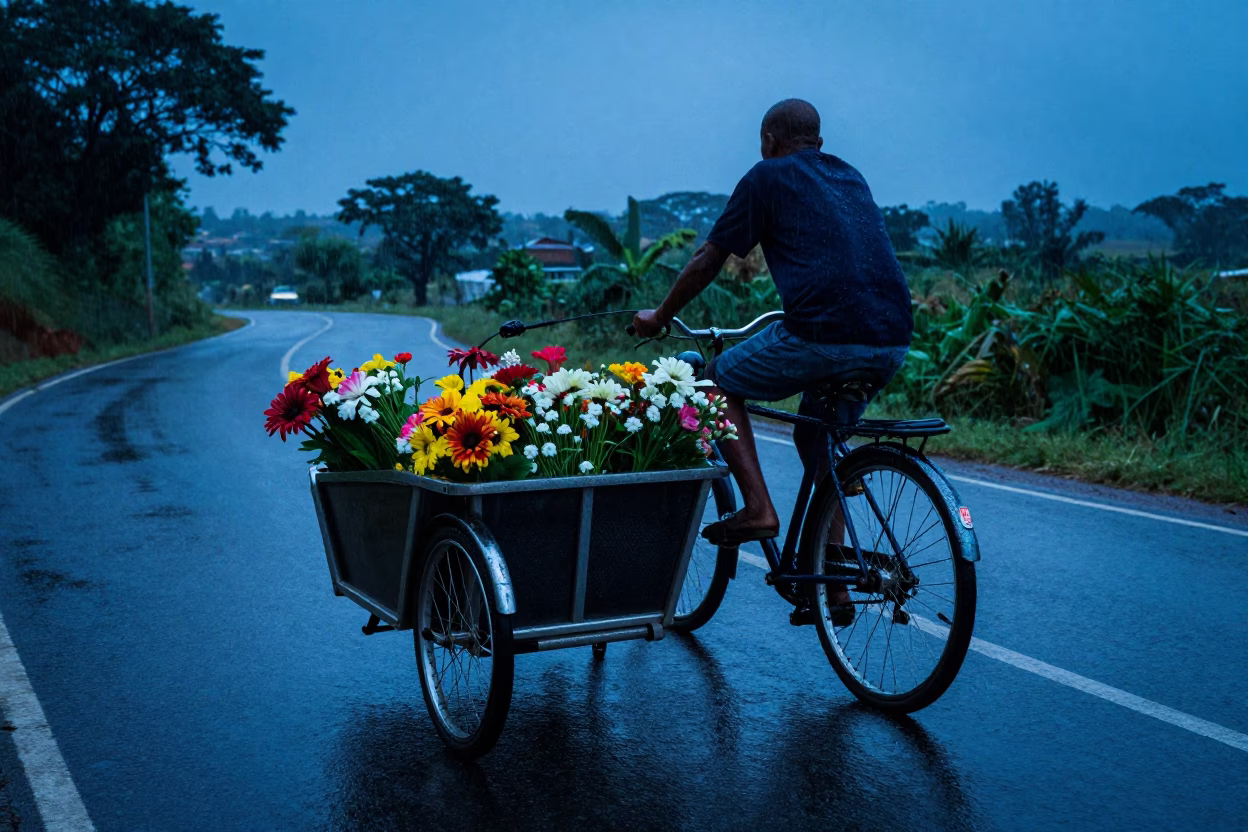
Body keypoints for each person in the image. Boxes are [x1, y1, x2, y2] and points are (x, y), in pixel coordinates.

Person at [631, 98, 913, 551]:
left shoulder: (767, 175)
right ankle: (834, 584)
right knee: (816, 439)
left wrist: (659, 316)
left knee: (713, 383)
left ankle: (758, 507)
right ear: (818, 143)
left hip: (822, 335)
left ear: (768, 141)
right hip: (893, 339)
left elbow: (709, 258)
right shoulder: (849, 176)